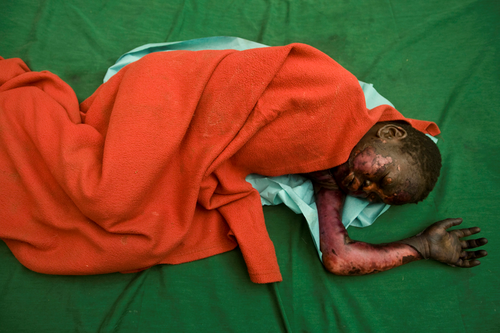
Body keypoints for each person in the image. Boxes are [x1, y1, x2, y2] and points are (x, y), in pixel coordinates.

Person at [306, 121, 488, 275]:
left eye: (373, 197)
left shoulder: (329, 182)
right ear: (389, 133)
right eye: (384, 179)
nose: (367, 188)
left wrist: (423, 246)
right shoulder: (338, 101)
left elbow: (339, 258)